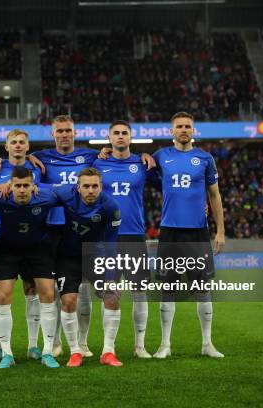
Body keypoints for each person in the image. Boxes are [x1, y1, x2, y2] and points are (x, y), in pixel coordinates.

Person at [31, 115, 155, 357]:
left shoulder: (95, 157)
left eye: (69, 130)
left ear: (75, 133)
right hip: (60, 230)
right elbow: (23, 168)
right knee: (63, 291)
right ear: (53, 134)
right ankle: (61, 343)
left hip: (124, 233)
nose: (64, 134)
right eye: (60, 131)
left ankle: (137, 345)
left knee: (130, 290)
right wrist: (27, 157)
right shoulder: (42, 158)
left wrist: (145, 156)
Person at [151, 111, 225, 359]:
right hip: (170, 230)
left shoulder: (205, 158)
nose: (184, 129)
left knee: (202, 286)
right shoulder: (161, 156)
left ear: (193, 130)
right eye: (179, 126)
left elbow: (215, 196)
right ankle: (165, 345)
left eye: (188, 126)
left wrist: (220, 231)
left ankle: (207, 344)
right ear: (171, 131)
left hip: (198, 232)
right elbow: (136, 167)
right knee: (168, 287)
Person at [0, 166, 61, 369]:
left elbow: (70, 191)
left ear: (33, 186)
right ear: (11, 186)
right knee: (2, 297)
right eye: (17, 186)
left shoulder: (46, 197)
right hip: (7, 250)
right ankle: (7, 353)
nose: (22, 190)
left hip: (39, 249)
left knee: (48, 295)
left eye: (26, 185)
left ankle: (46, 352)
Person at [92, 120, 154, 362]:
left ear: (131, 137)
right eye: (116, 133)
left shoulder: (142, 163)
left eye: (124, 133)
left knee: (140, 291)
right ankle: (109, 348)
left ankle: (140, 345)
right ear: (109, 138)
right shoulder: (97, 163)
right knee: (109, 292)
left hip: (134, 235)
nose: (120, 137)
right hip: (107, 237)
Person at [49, 168, 121, 368]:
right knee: (69, 301)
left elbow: (111, 245)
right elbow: (41, 189)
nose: (91, 190)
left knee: (113, 296)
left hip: (96, 255)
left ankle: (108, 351)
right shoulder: (65, 194)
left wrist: (111, 276)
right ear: (78, 188)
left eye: (95, 186)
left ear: (101, 186)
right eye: (86, 186)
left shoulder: (110, 207)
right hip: (68, 256)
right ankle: (75, 352)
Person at [0, 129, 44, 363]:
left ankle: (33, 345)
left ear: (28, 147)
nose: (18, 145)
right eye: (14, 142)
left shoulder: (38, 169)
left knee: (32, 289)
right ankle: (0, 346)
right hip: (3, 237)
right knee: (1, 293)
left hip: (34, 236)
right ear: (6, 146)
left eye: (22, 142)